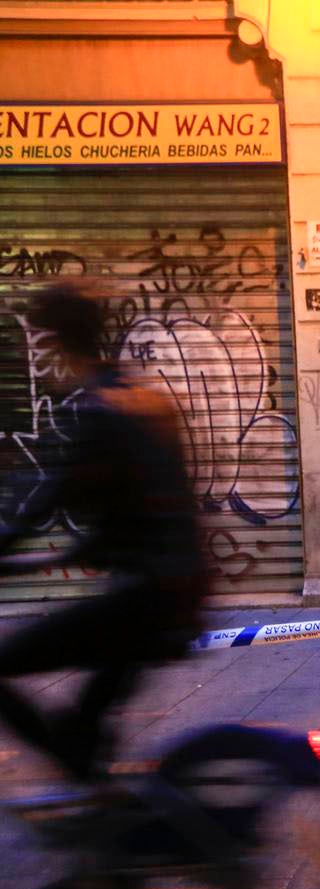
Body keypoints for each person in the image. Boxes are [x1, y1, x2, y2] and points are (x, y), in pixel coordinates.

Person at [0, 284, 207, 779]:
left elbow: (44, 500)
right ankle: (95, 795)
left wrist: (8, 547)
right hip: (174, 589)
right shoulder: (143, 401)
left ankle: (85, 785)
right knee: (87, 722)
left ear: (55, 343)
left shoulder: (97, 413)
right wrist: (46, 560)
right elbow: (140, 510)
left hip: (143, 597)